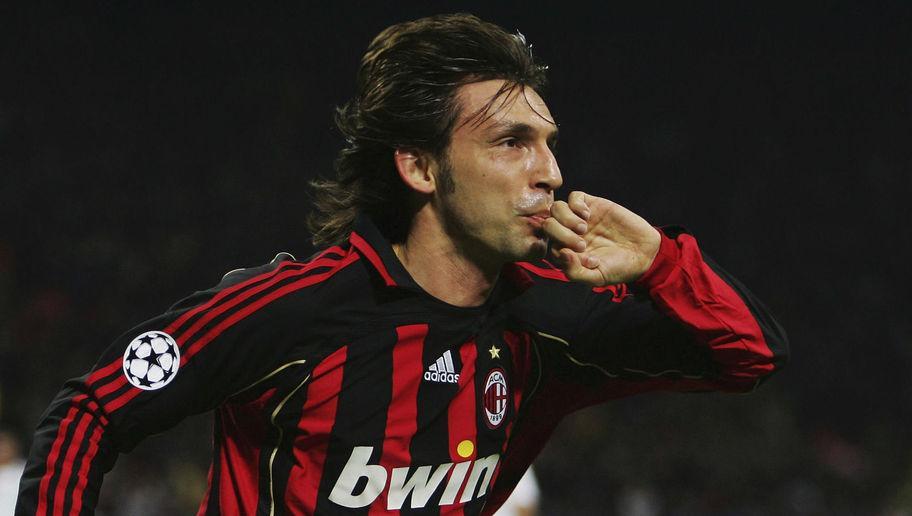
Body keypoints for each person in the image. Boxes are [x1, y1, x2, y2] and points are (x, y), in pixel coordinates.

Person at [17, 13, 788, 515]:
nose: (550, 171)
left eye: (549, 143)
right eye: (512, 142)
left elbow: (748, 353)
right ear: (421, 168)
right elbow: (91, 412)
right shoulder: (292, 309)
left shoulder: (550, 326)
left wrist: (658, 262)